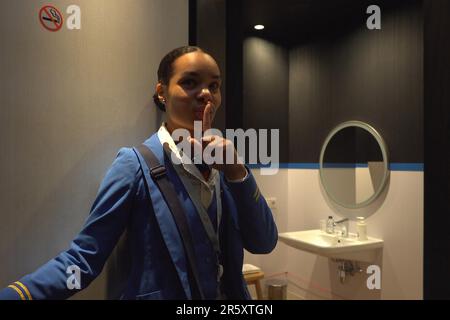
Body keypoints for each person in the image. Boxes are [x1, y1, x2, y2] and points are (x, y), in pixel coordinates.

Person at [0, 46, 278, 300]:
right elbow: (84, 259)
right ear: (162, 92)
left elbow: (264, 242)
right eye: (190, 82)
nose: (206, 93)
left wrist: (237, 172)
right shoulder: (135, 165)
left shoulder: (227, 163)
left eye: (214, 85)